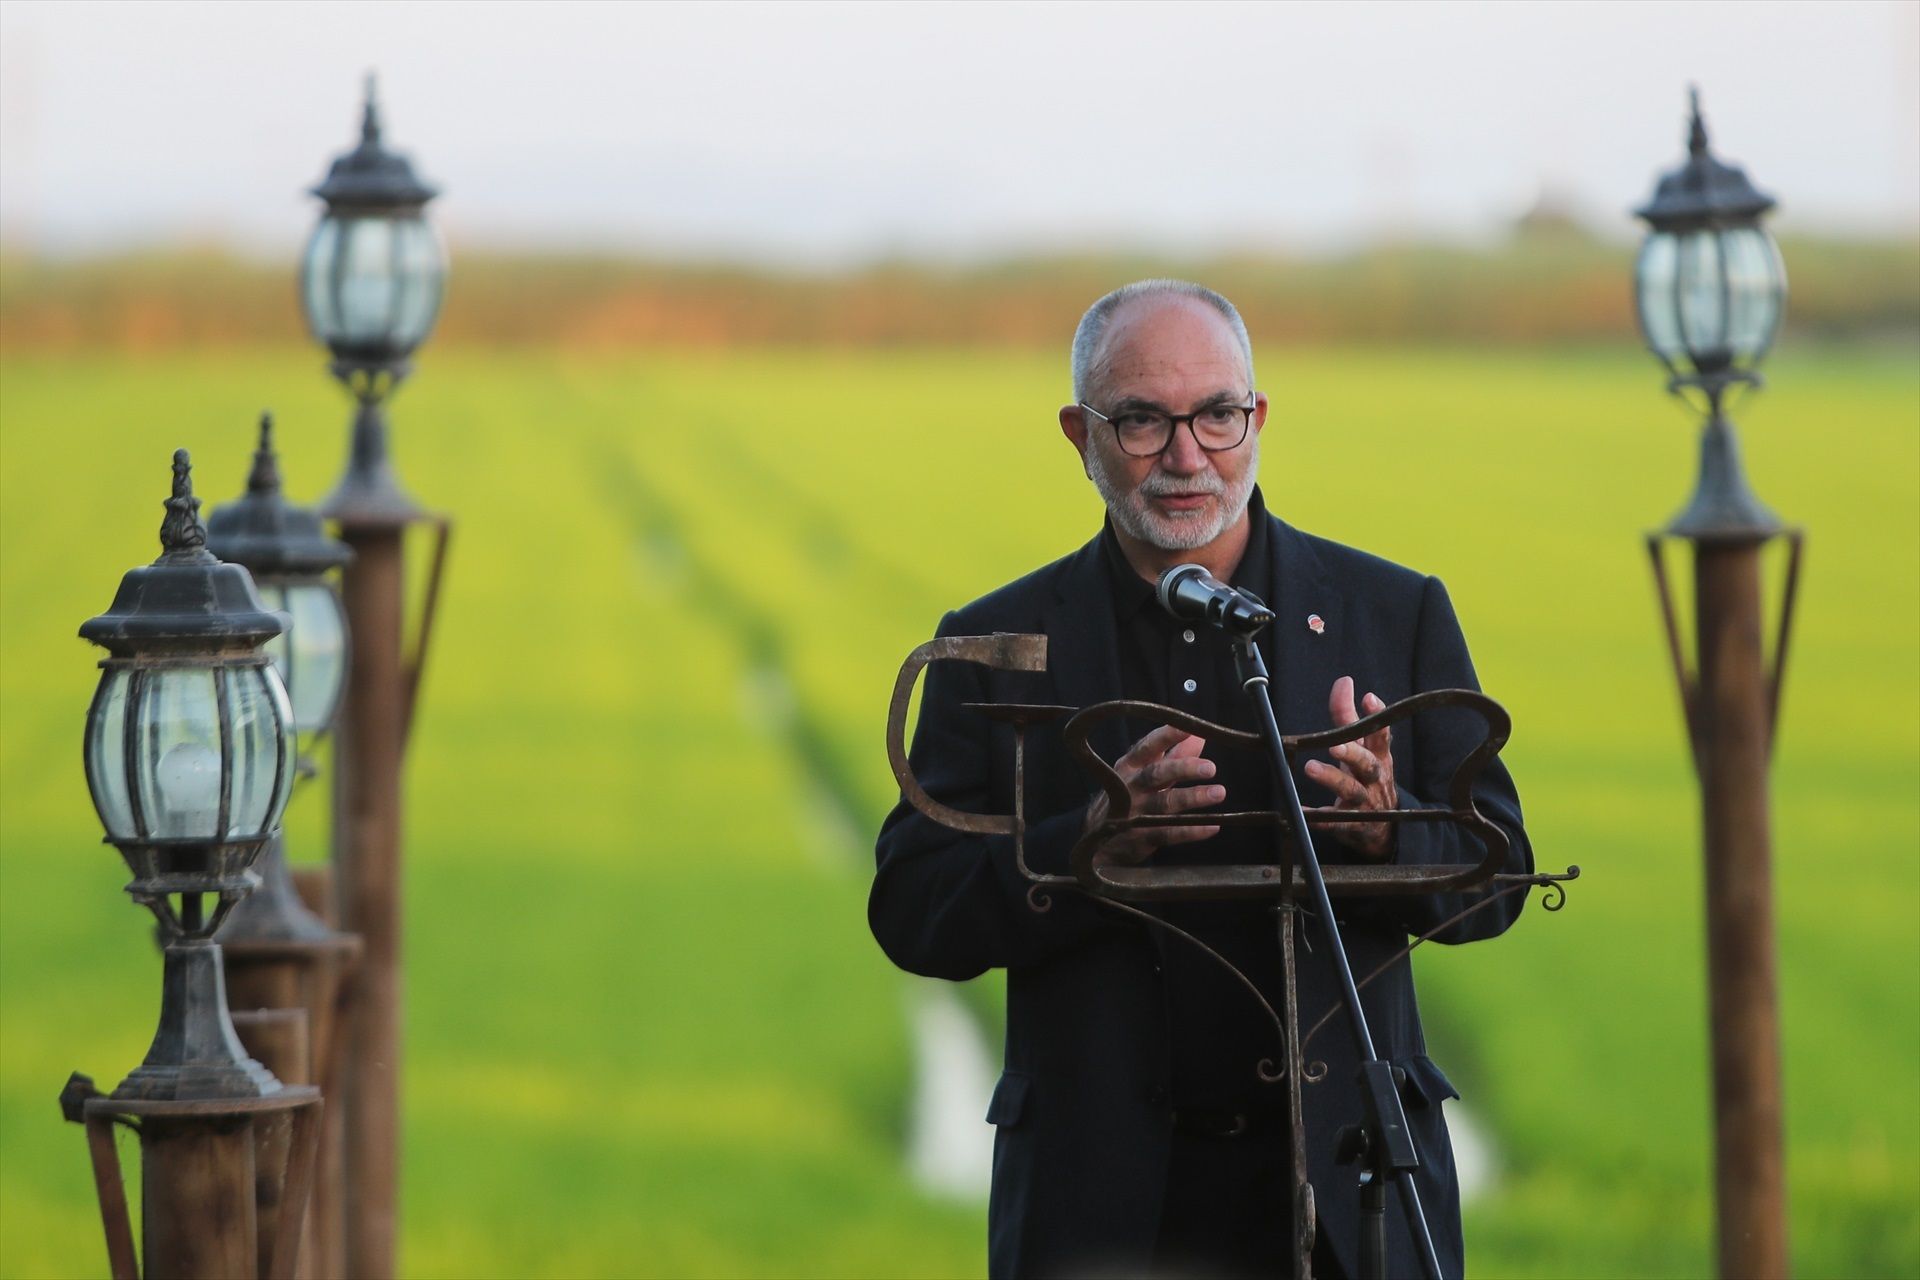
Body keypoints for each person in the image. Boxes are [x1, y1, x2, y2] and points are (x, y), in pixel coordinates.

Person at [870, 279, 1531, 1280]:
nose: (1186, 455)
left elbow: (1504, 878)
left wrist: (1390, 833)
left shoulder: (1390, 613)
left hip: (1357, 1200)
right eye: (1140, 419)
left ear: (1257, 416)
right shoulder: (992, 644)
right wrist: (1083, 846)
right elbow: (913, 910)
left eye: (1217, 414)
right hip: (1100, 1208)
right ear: (1078, 434)